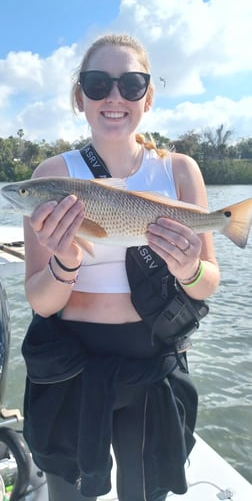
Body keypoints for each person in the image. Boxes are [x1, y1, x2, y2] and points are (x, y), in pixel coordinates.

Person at [22, 33, 220, 501]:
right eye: (97, 83)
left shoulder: (180, 170)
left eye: (131, 84)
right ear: (80, 98)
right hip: (70, 365)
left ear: (147, 97)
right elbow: (39, 299)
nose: (114, 97)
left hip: (153, 361)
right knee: (68, 493)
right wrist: (67, 260)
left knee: (146, 493)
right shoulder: (49, 176)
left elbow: (207, 283)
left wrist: (190, 266)